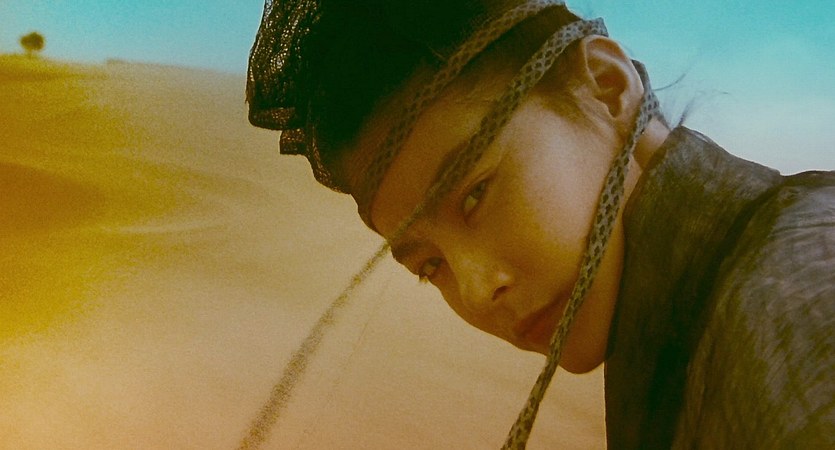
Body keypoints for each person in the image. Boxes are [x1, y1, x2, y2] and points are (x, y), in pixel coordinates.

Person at [245, 0, 835, 448]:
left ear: (607, 87)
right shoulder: (678, 330)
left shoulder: (797, 314)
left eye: (475, 196)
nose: (477, 291)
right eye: (430, 265)